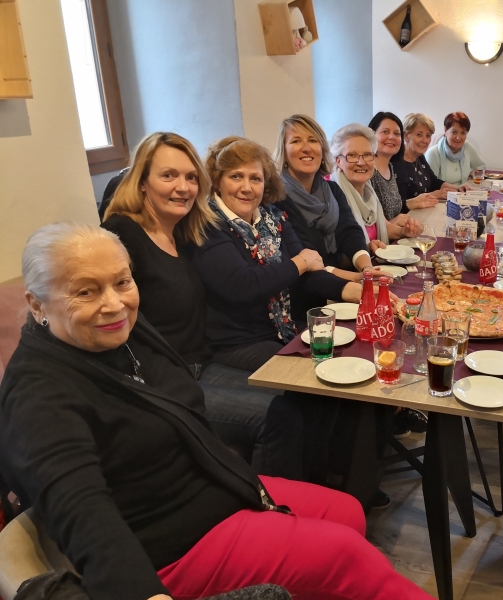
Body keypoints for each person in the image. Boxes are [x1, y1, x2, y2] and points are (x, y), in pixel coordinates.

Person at [0, 222, 434, 600]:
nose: (114, 304)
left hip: (212, 487)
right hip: (167, 544)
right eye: (85, 291)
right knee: (348, 555)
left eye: (122, 282)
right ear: (37, 304)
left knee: (347, 512)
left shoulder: (123, 333)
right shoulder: (39, 395)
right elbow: (82, 514)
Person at [102, 132, 307, 480]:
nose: (182, 187)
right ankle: (265, 512)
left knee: (303, 394)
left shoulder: (185, 231)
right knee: (279, 415)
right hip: (158, 384)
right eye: (168, 176)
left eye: (190, 177)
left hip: (200, 365)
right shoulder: (121, 235)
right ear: (141, 183)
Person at [192, 135, 344, 485]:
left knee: (335, 377)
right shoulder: (207, 224)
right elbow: (242, 285)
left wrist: (359, 290)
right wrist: (299, 264)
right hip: (235, 343)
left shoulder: (274, 216)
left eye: (255, 178)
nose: (247, 187)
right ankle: (284, 497)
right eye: (236, 177)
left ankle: (327, 481)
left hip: (280, 332)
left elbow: (310, 276)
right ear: (216, 180)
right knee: (314, 383)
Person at [273, 115, 372, 320]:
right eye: (296, 141)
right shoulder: (276, 198)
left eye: (312, 140)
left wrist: (367, 268)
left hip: (336, 292)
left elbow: (349, 230)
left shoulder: (331, 189)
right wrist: (356, 278)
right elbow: (304, 257)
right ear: (284, 152)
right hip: (302, 305)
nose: (306, 148)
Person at [330, 123, 421, 243]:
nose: (361, 162)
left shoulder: (368, 189)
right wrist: (367, 249)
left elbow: (384, 228)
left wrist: (403, 231)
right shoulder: (331, 195)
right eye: (352, 155)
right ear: (338, 161)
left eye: (367, 155)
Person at [392, 113, 463, 210]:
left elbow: (434, 181)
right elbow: (399, 204)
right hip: (408, 220)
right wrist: (434, 194)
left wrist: (457, 189)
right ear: (406, 136)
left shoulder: (419, 157)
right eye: (419, 135)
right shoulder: (395, 163)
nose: (425, 140)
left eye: (428, 135)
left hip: (425, 212)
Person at [424, 112, 486, 186]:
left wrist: (472, 174)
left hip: (464, 194)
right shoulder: (433, 154)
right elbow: (431, 185)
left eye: (463, 133)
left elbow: (481, 166)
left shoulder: (467, 147)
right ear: (445, 130)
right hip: (443, 196)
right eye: (454, 132)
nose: (458, 138)